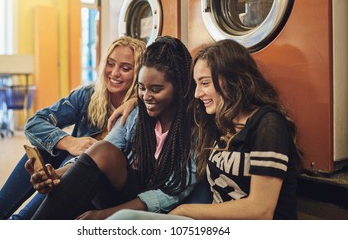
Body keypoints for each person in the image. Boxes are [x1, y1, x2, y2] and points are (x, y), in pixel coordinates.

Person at [108, 39, 302, 220]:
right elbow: (171, 85)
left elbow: (261, 210)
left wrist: (185, 211)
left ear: (233, 80)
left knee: (126, 219)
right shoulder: (215, 122)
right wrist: (136, 101)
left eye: (205, 83)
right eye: (196, 83)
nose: (197, 93)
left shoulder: (268, 124)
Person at [0, 36, 146, 220]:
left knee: (68, 162)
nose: (114, 73)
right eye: (110, 64)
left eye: (125, 68)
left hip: (106, 191)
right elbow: (35, 122)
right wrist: (69, 142)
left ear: (140, 73)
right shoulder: (88, 95)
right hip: (70, 174)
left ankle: (18, 223)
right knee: (46, 149)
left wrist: (136, 101)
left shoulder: (142, 108)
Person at [27, 36, 197, 220]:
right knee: (102, 149)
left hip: (150, 204)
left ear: (179, 87)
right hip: (122, 190)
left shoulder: (195, 129)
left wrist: (104, 215)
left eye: (155, 89)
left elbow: (169, 195)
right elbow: (97, 155)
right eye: (141, 88)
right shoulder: (136, 114)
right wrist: (57, 175)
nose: (146, 96)